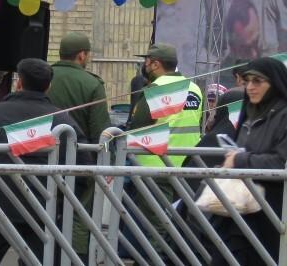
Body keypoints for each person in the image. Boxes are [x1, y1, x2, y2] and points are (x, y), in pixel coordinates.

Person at [0, 58, 88, 265]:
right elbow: (84, 168)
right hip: (44, 210)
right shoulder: (62, 120)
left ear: (19, 82)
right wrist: (60, 202)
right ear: (49, 86)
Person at [123, 44, 202, 259]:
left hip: (155, 167)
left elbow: (137, 127)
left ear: (155, 64)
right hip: (186, 167)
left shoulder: (155, 90)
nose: (144, 65)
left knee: (155, 226)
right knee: (177, 222)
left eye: (147, 61)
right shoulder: (194, 88)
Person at [211, 58, 287, 265]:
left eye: (257, 81)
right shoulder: (250, 113)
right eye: (247, 81)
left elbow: (281, 162)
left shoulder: (283, 116)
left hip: (271, 211)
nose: (250, 87)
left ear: (274, 83)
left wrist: (239, 159)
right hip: (242, 206)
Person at [46, 33, 110, 260]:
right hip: (80, 162)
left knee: (45, 210)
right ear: (82, 55)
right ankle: (75, 259)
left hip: (43, 158)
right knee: (79, 215)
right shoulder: (92, 84)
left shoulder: (45, 77)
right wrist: (106, 164)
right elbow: (102, 131)